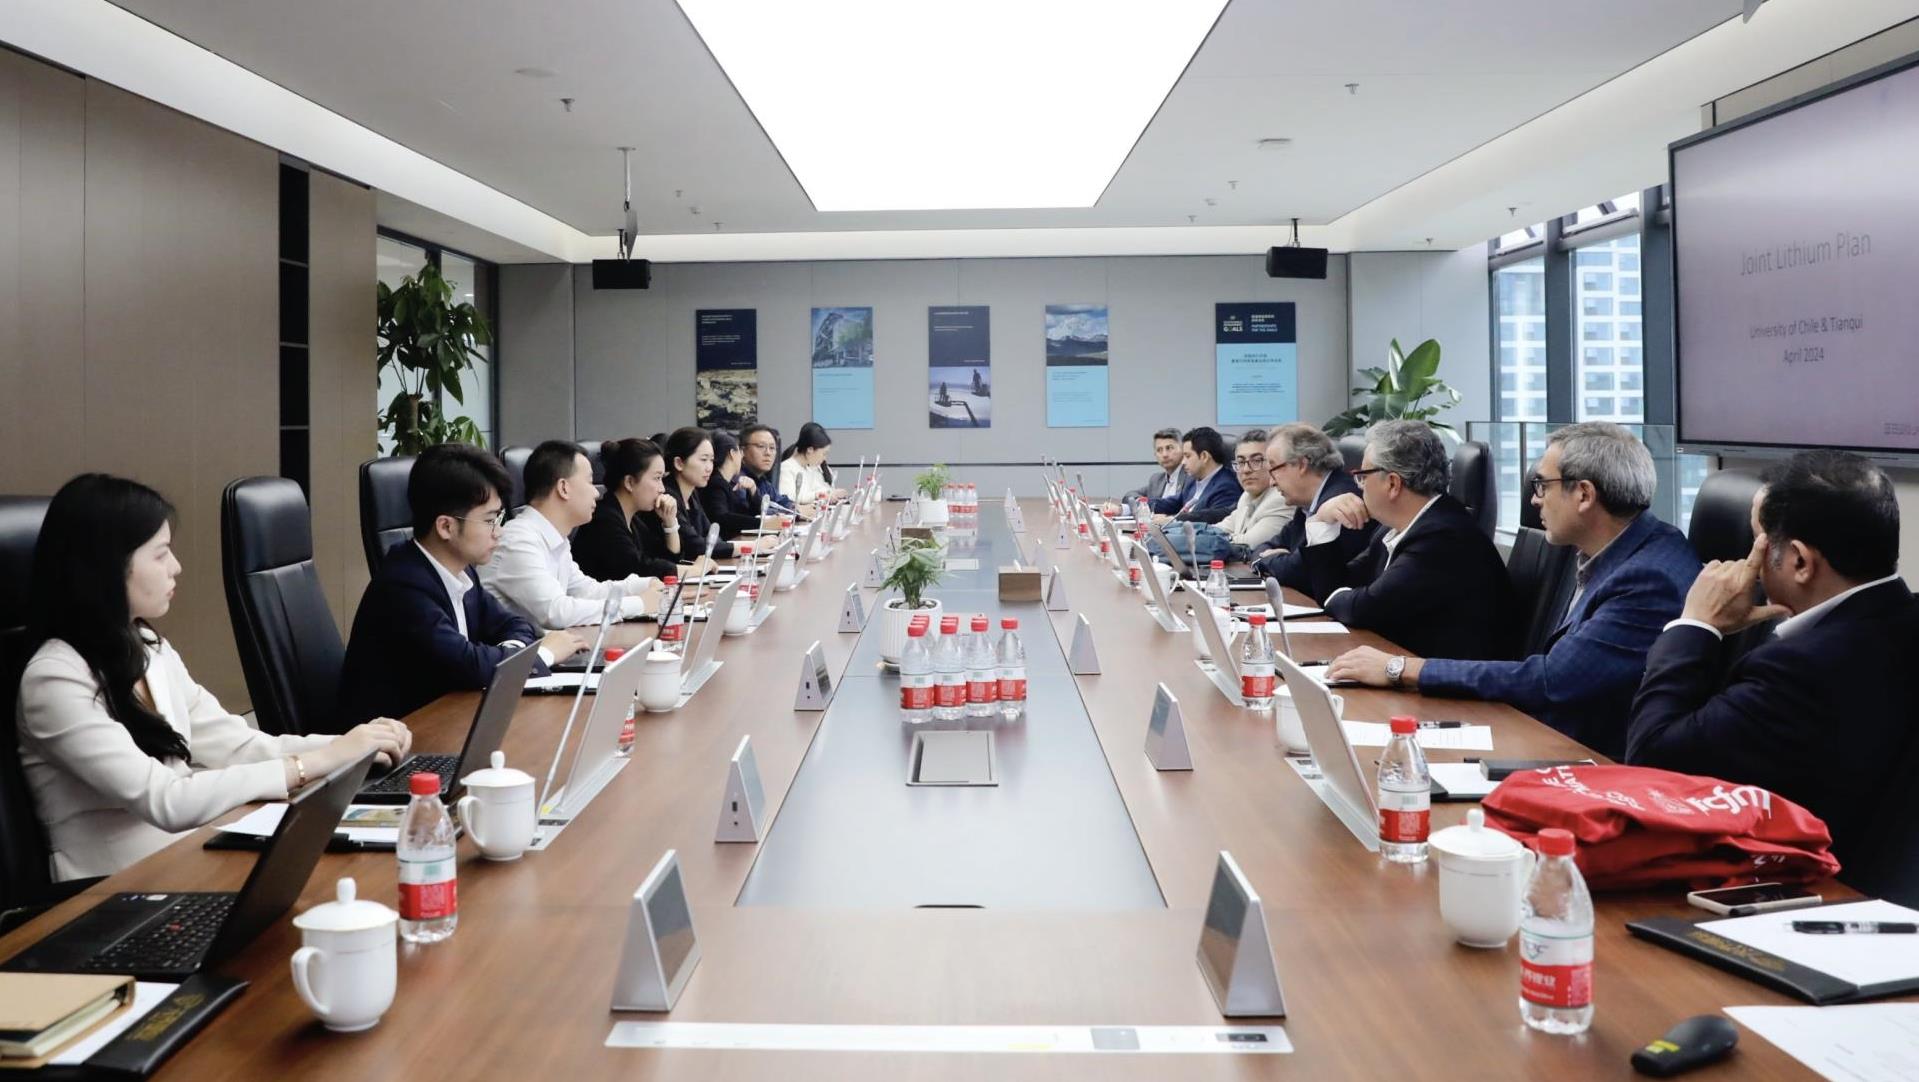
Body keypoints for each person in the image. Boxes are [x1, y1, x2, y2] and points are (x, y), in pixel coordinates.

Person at [16, 474, 411, 880]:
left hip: (190, 858)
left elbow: (239, 746)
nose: (176, 567)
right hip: (113, 892)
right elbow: (166, 800)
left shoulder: (145, 645)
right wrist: (316, 762)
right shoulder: (55, 679)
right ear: (107, 566)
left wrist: (354, 745)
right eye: (160, 554)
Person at [1328, 423, 1698, 758]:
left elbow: (1552, 681)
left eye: (1542, 486)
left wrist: (1400, 668)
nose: (1535, 499)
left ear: (1584, 495)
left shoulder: (1648, 579)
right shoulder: (1619, 552)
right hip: (1544, 731)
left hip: (1584, 759)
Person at [1625, 450, 1919, 868]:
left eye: (1757, 543)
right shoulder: (1894, 625)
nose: (1751, 563)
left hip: (1820, 888)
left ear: (1799, 561)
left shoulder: (1800, 670)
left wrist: (1695, 624)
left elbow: (1653, 761)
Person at [339, 444, 585, 726]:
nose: (499, 532)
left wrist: (510, 653)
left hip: (447, 719)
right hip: (394, 740)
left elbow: (515, 625)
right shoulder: (404, 586)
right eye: (490, 520)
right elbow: (467, 664)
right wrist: (544, 653)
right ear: (446, 527)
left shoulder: (462, 571)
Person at [1296, 420, 1513, 661]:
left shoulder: (1442, 538)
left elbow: (1361, 609)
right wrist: (1322, 522)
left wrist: (1334, 597)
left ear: (1393, 483)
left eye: (1363, 477)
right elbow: (1343, 584)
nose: (1359, 487)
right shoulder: (1394, 530)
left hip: (1448, 681)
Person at [483, 440, 661, 629]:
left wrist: (645, 585)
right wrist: (640, 603)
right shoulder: (518, 540)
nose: (596, 492)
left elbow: (588, 592)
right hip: (520, 648)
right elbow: (557, 612)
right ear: (563, 488)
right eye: (590, 482)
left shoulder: (557, 538)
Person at [1251, 423, 1373, 591]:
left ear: (1302, 464)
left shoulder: (1342, 502)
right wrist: (1270, 559)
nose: (1271, 482)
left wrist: (1268, 560)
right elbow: (1265, 546)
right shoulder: (1307, 502)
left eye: (1274, 469)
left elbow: (1301, 573)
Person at [573, 437, 714, 582]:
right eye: (657, 478)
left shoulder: (634, 520)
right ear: (629, 482)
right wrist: (696, 570)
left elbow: (666, 561)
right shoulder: (603, 521)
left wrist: (670, 523)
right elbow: (639, 569)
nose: (662, 488)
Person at [1145, 431, 1292, 565]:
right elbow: (1218, 529)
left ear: (1272, 463)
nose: (1246, 470)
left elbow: (1247, 544)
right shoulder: (1246, 496)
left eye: (1256, 461)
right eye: (1241, 462)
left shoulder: (1279, 499)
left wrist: (1205, 539)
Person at [649, 426, 735, 561]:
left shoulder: (692, 493)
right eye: (703, 459)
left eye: (711, 460)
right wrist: (750, 547)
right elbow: (694, 545)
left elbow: (710, 534)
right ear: (679, 463)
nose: (709, 468)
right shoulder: (667, 495)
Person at [1148, 426, 1242, 525]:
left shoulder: (1226, 487)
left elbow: (1213, 520)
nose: (1183, 462)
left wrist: (1172, 520)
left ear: (1204, 456)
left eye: (1187, 456)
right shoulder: (1193, 481)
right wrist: (1141, 505)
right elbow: (1170, 503)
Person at [698, 430, 762, 540]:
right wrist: (763, 523)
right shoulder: (716, 484)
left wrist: (752, 490)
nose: (742, 456)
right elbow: (721, 517)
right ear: (732, 453)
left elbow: (746, 516)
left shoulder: (725, 483)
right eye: (740, 451)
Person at [1109, 427, 1187, 513]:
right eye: (1159, 450)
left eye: (1169, 448)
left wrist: (1143, 504)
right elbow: (1129, 496)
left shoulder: (1191, 477)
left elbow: (1179, 507)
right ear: (1155, 454)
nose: (1164, 454)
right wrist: (1142, 503)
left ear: (1183, 449)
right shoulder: (1157, 479)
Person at [779, 422, 843, 506]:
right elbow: (788, 498)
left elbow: (819, 490)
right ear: (810, 449)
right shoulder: (786, 468)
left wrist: (831, 493)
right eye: (824, 453)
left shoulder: (809, 468)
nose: (824, 458)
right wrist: (817, 495)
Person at [739, 424, 796, 515]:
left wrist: (795, 508)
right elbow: (750, 513)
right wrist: (784, 512)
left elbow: (783, 502)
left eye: (772, 448)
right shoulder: (739, 479)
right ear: (743, 451)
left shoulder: (762, 481)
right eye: (761, 446)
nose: (768, 453)